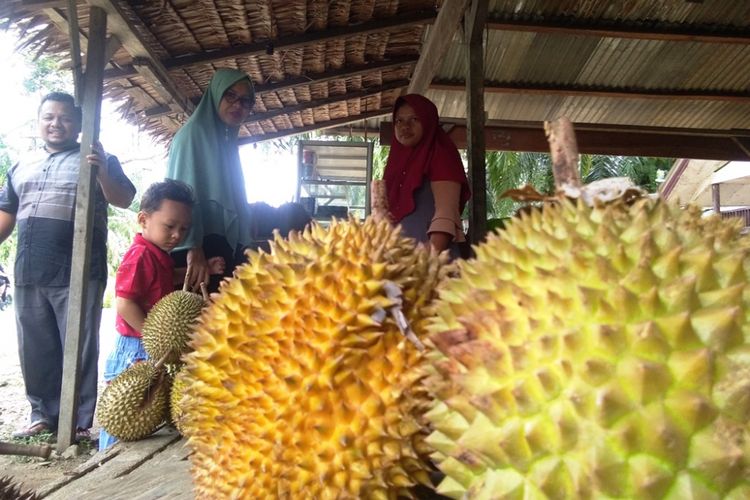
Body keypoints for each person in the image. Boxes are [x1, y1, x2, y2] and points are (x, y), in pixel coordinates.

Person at [0, 91, 136, 440]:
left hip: (78, 270)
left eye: (64, 118)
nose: (55, 123)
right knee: (36, 347)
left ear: (78, 124)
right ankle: (42, 415)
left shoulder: (97, 158)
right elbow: (7, 213)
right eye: (49, 117)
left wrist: (102, 169)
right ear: (39, 121)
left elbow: (123, 199)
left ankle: (76, 422)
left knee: (79, 347)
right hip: (29, 269)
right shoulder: (22, 163)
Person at [98, 179, 224, 450]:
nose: (177, 235)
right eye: (170, 226)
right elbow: (124, 303)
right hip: (135, 347)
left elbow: (165, 278)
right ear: (143, 220)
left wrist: (209, 269)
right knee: (126, 411)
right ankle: (106, 455)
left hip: (152, 348)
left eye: (183, 229)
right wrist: (152, 337)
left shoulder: (158, 255)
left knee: (144, 411)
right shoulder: (140, 255)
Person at [166, 68, 256, 292]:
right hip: (196, 249)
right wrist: (192, 248)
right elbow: (179, 197)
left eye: (245, 101)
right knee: (196, 322)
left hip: (218, 247)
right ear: (215, 95)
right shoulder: (192, 135)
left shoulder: (226, 142)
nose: (238, 105)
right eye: (230, 96)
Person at [383, 94, 471, 257]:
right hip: (399, 258)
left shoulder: (441, 153)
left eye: (414, 119)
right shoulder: (397, 160)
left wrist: (427, 255)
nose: (405, 126)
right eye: (399, 121)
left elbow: (447, 212)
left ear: (427, 120)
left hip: (431, 260)